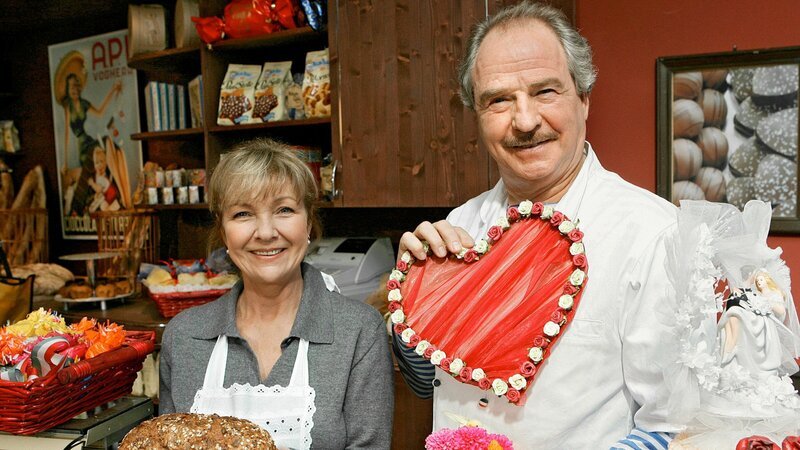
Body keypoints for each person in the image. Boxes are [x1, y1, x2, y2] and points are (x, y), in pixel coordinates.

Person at [394, 2, 679, 448]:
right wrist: (412, 302)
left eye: (545, 91)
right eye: (499, 100)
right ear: (477, 114)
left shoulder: (653, 234)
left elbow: (674, 423)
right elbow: (425, 383)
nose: (525, 122)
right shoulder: (458, 227)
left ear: (584, 98)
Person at [159, 138, 394, 449]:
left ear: (308, 221)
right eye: (243, 214)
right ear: (223, 231)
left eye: (284, 209)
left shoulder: (358, 332)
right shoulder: (184, 337)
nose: (266, 232)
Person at [60, 71, 121, 216]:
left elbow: (100, 112)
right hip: (82, 145)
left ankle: (113, 193)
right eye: (71, 87)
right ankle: (80, 206)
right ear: (68, 90)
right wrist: (65, 163)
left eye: (76, 86)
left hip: (88, 140)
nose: (74, 90)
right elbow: (67, 134)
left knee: (106, 142)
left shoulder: (84, 103)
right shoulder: (68, 106)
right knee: (89, 166)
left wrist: (112, 90)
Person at [719, 269, 798, 378]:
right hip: (754, 316)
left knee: (736, 313)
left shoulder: (775, 293)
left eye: (761, 279)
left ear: (767, 280)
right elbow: (747, 293)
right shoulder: (756, 293)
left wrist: (766, 302)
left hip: (763, 320)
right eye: (757, 280)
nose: (759, 282)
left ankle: (731, 348)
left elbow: (781, 311)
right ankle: (730, 349)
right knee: (733, 315)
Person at [87, 145, 121, 212]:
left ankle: (112, 207)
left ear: (106, 163)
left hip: (111, 197)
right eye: (97, 163)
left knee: (104, 206)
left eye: (101, 161)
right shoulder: (98, 177)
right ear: (94, 165)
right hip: (107, 198)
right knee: (101, 204)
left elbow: (99, 189)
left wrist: (92, 184)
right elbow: (100, 192)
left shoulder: (102, 178)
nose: (99, 165)